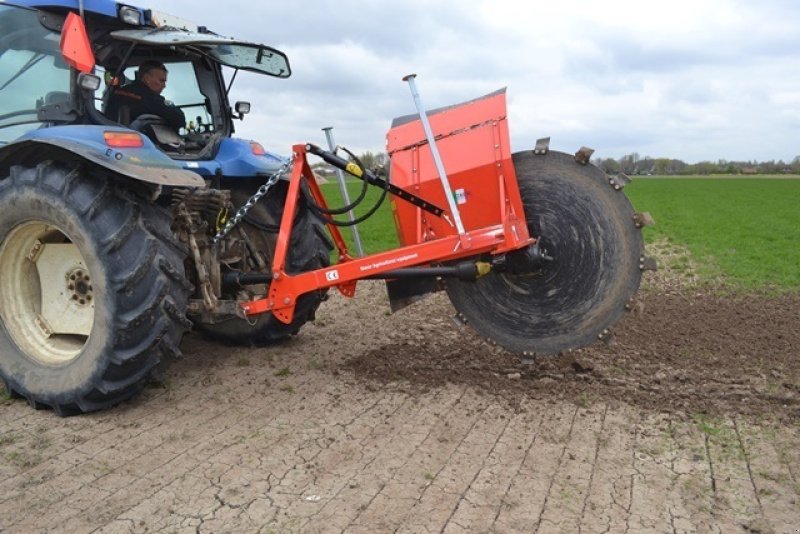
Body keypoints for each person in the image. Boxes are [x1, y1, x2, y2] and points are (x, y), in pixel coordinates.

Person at [105, 60, 185, 132]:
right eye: (161, 81)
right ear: (147, 78)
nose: (164, 86)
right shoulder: (150, 98)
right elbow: (179, 119)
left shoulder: (117, 93)